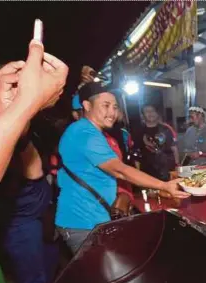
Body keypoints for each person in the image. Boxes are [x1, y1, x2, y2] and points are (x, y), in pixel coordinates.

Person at [0, 40, 68, 283]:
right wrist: (24, 106)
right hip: (16, 219)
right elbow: (32, 171)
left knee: (41, 278)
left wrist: (15, 113)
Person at [55, 83, 189, 253]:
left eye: (115, 107)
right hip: (82, 223)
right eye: (105, 106)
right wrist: (163, 186)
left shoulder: (94, 133)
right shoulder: (84, 133)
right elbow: (119, 170)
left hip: (95, 218)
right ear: (87, 105)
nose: (112, 112)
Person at [139, 104, 179, 180]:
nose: (150, 113)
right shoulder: (138, 131)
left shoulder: (166, 129)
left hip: (166, 169)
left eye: (153, 111)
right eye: (147, 111)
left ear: (157, 113)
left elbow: (174, 149)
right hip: (147, 172)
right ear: (143, 115)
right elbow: (136, 154)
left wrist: (177, 166)